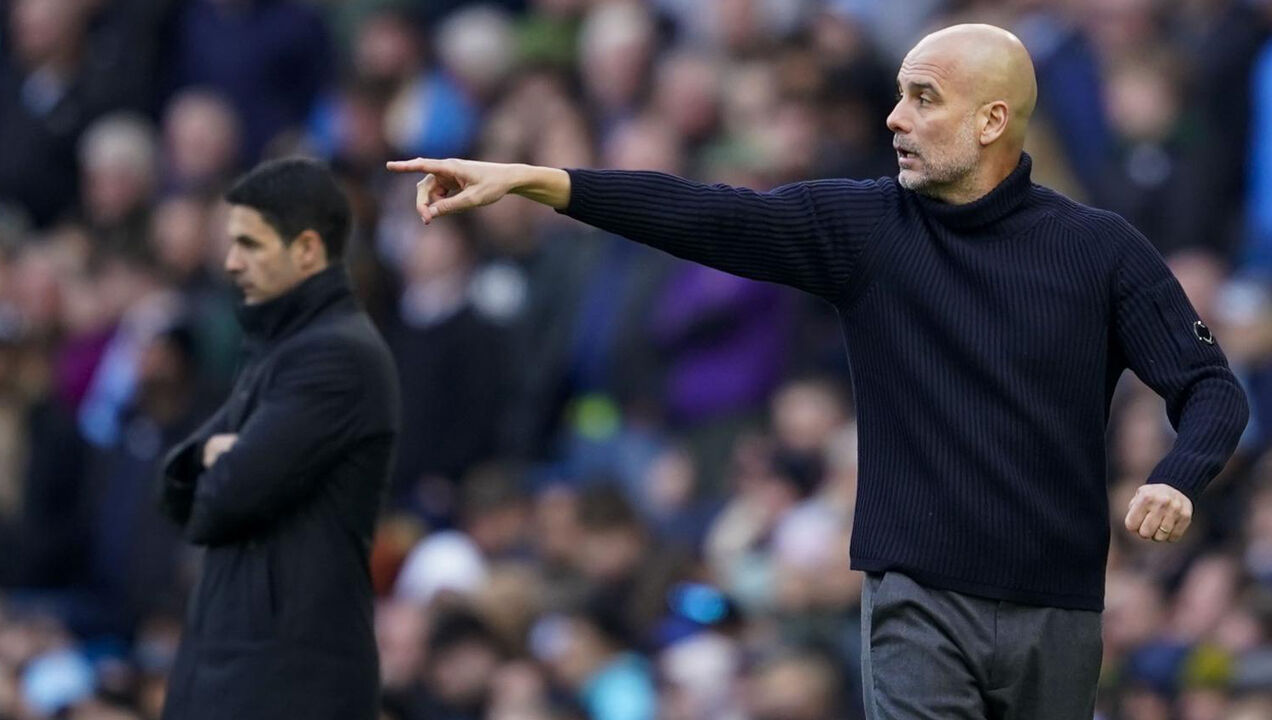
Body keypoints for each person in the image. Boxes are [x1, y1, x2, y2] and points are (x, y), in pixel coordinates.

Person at [386, 23, 1251, 720]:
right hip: (918, 600)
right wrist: (542, 179)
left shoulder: (1097, 250)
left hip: (1058, 612)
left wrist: (1179, 476)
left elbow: (1209, 386)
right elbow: (706, 214)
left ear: (992, 121)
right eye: (898, 96)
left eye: (923, 99)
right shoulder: (865, 227)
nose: (893, 120)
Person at [157, 158, 400, 719]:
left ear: (308, 251)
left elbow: (224, 498)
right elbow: (177, 482)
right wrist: (212, 458)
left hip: (285, 679)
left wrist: (221, 461)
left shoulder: (336, 358)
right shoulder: (276, 352)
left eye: (250, 244)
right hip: (238, 663)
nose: (230, 262)